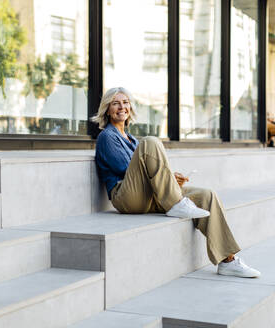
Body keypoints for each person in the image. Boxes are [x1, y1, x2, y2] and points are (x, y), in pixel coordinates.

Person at [92, 87, 260, 278]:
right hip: (126, 197)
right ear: (107, 109)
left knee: (207, 196)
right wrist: (167, 180)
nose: (122, 107)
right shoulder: (107, 137)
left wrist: (170, 180)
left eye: (125, 102)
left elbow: (145, 171)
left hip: (147, 195)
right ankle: (176, 203)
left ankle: (227, 261)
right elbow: (125, 168)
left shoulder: (131, 139)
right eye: (115, 103)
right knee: (151, 141)